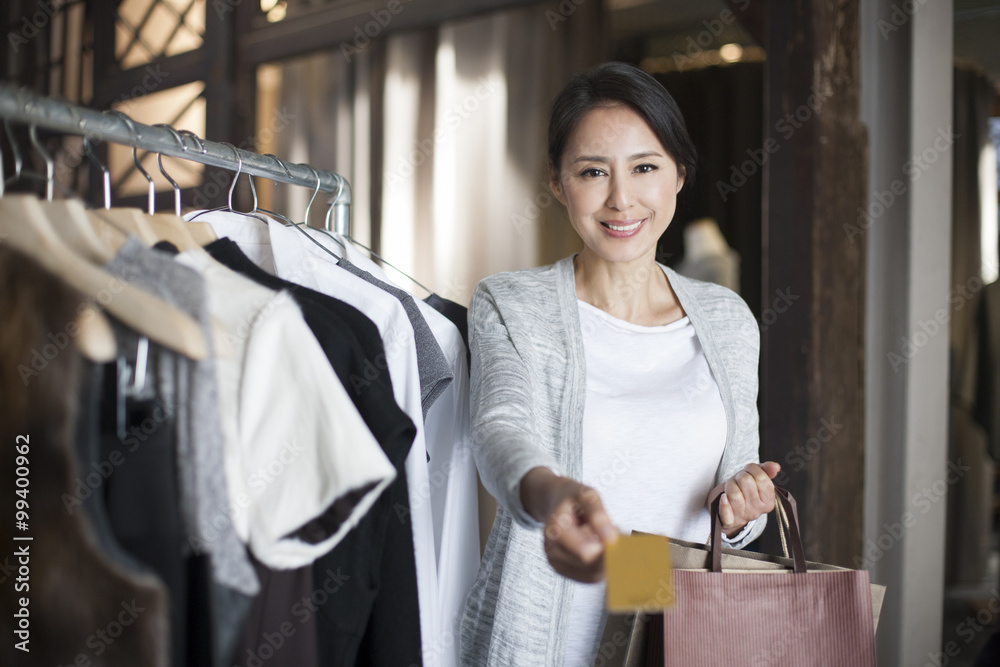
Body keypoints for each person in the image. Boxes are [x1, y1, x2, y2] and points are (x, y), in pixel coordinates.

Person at [459, 62, 780, 667]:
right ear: (558, 184)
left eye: (645, 167)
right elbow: (500, 428)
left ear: (679, 175)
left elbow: (735, 487)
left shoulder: (727, 318)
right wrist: (553, 494)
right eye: (592, 172)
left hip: (672, 627)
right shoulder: (513, 303)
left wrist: (744, 507)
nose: (620, 199)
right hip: (546, 629)